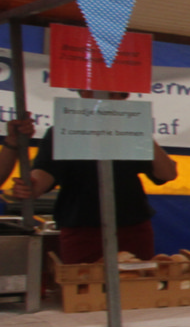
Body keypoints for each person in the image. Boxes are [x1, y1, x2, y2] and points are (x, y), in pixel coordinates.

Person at [7, 94, 178, 263]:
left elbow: (167, 174)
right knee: (83, 279)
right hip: (81, 228)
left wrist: (142, 132)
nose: (108, 100)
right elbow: (44, 173)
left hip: (132, 226)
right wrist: (31, 187)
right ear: (84, 94)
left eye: (116, 95)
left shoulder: (131, 132)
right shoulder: (63, 131)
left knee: (136, 278)